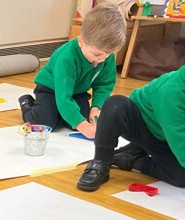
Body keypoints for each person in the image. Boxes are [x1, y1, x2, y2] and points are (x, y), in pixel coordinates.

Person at [76, 22, 185, 203]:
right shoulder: (174, 90)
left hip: (164, 136)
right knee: (115, 105)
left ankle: (130, 159)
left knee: (184, 177)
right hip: (139, 123)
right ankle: (101, 162)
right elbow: (180, 136)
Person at [19, 4, 126, 139]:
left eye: (108, 54)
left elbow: (104, 84)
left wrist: (96, 108)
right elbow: (63, 97)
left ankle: (59, 112)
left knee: (77, 121)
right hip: (51, 89)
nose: (102, 59)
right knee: (45, 123)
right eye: (97, 54)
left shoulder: (105, 55)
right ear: (81, 42)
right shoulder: (67, 58)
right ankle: (27, 104)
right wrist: (83, 126)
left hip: (77, 91)